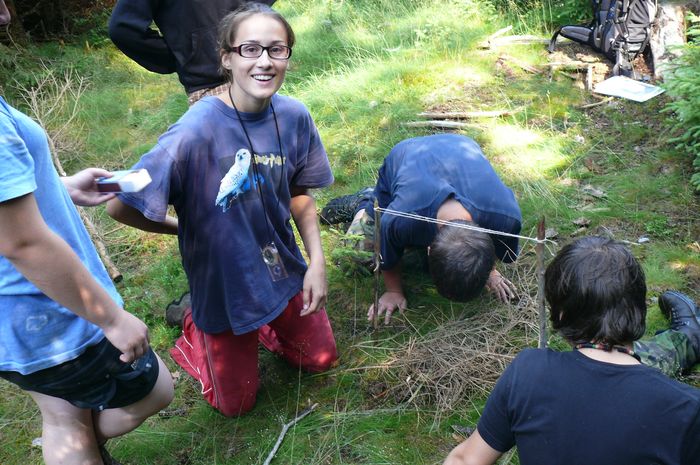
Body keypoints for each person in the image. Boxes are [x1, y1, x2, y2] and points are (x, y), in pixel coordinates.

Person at [107, 2, 338, 417]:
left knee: (320, 360)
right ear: (226, 58)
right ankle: (194, 323)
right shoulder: (194, 132)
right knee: (236, 405)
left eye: (276, 49)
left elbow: (300, 193)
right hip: (223, 287)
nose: (264, 61)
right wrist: (182, 228)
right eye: (249, 49)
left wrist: (317, 262)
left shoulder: (294, 116)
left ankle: (265, 323)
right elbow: (119, 205)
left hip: (280, 266)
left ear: (288, 56)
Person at [0, 6, 174, 465]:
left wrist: (60, 187)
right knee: (155, 389)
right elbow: (22, 243)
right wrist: (110, 319)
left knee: (63, 417)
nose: (6, 13)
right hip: (44, 311)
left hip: (15, 322)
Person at [443, 236, 700, 465]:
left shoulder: (528, 373)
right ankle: (689, 335)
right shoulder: (687, 410)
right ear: (639, 309)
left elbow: (465, 459)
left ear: (561, 314)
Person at [323, 134, 522, 324]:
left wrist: (489, 272)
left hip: (460, 147)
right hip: (407, 154)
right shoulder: (399, 218)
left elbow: (488, 250)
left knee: (431, 261)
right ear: (428, 249)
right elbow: (386, 251)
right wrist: (394, 291)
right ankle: (365, 200)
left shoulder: (507, 221)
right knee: (355, 258)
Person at [108, 0, 276, 105]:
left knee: (274, 148)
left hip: (258, 75)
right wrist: (180, 58)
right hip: (213, 88)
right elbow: (123, 29)